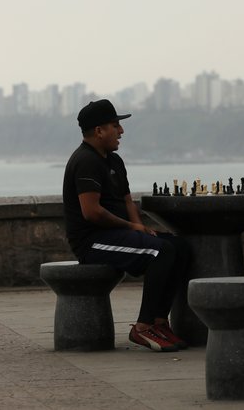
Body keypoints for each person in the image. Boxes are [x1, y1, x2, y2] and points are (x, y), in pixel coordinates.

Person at [62, 99, 191, 352]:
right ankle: (142, 328)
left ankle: (158, 321)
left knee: (180, 247)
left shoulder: (114, 161)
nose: (121, 131)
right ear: (99, 131)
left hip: (117, 234)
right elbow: (92, 212)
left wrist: (140, 227)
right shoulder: (85, 161)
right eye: (115, 125)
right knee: (160, 252)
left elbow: (127, 200)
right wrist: (133, 229)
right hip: (93, 241)